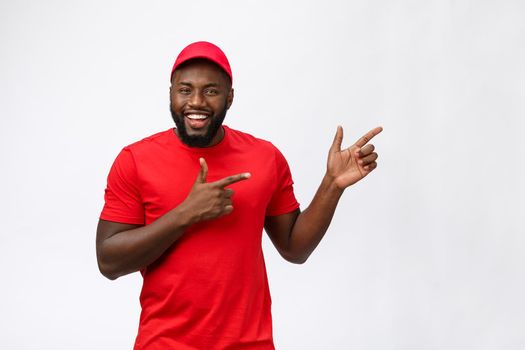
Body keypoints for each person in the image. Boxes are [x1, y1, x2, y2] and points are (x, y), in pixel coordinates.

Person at [96, 41, 382, 350]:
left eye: (211, 91)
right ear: (170, 93)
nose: (197, 102)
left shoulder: (264, 157)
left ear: (229, 97)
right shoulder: (135, 160)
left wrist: (332, 185)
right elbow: (108, 261)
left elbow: (294, 249)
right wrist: (186, 214)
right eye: (185, 90)